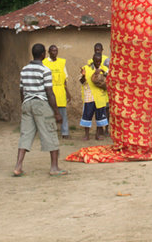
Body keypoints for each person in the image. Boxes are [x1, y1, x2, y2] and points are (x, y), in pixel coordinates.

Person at [13, 43, 67, 177]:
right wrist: (56, 112)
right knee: (50, 133)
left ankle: (18, 166)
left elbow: (21, 90)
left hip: (27, 103)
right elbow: (49, 92)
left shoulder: (24, 70)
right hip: (41, 104)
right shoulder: (45, 70)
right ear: (43, 54)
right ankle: (54, 168)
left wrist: (24, 104)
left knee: (25, 135)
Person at [43, 45, 72, 139]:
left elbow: (65, 78)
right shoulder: (44, 63)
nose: (54, 52)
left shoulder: (62, 62)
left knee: (63, 113)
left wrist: (67, 92)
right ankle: (50, 133)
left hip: (60, 91)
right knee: (49, 113)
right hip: (49, 91)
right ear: (49, 52)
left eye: (56, 51)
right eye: (52, 51)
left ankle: (65, 132)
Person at [79, 53, 109, 141]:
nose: (98, 62)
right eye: (96, 61)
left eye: (99, 61)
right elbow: (81, 81)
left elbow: (109, 79)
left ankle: (97, 135)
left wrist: (103, 73)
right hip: (89, 96)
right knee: (87, 116)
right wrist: (83, 76)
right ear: (93, 60)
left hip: (100, 97)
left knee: (99, 117)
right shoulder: (86, 68)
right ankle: (87, 135)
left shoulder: (104, 68)